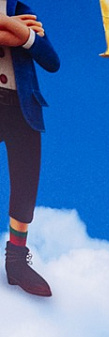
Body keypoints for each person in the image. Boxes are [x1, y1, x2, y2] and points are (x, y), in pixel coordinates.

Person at [0, 1, 59, 296]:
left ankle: (16, 262)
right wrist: (18, 29)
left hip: (22, 107)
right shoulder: (19, 18)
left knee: (25, 182)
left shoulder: (20, 7)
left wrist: (24, 36)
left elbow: (51, 61)